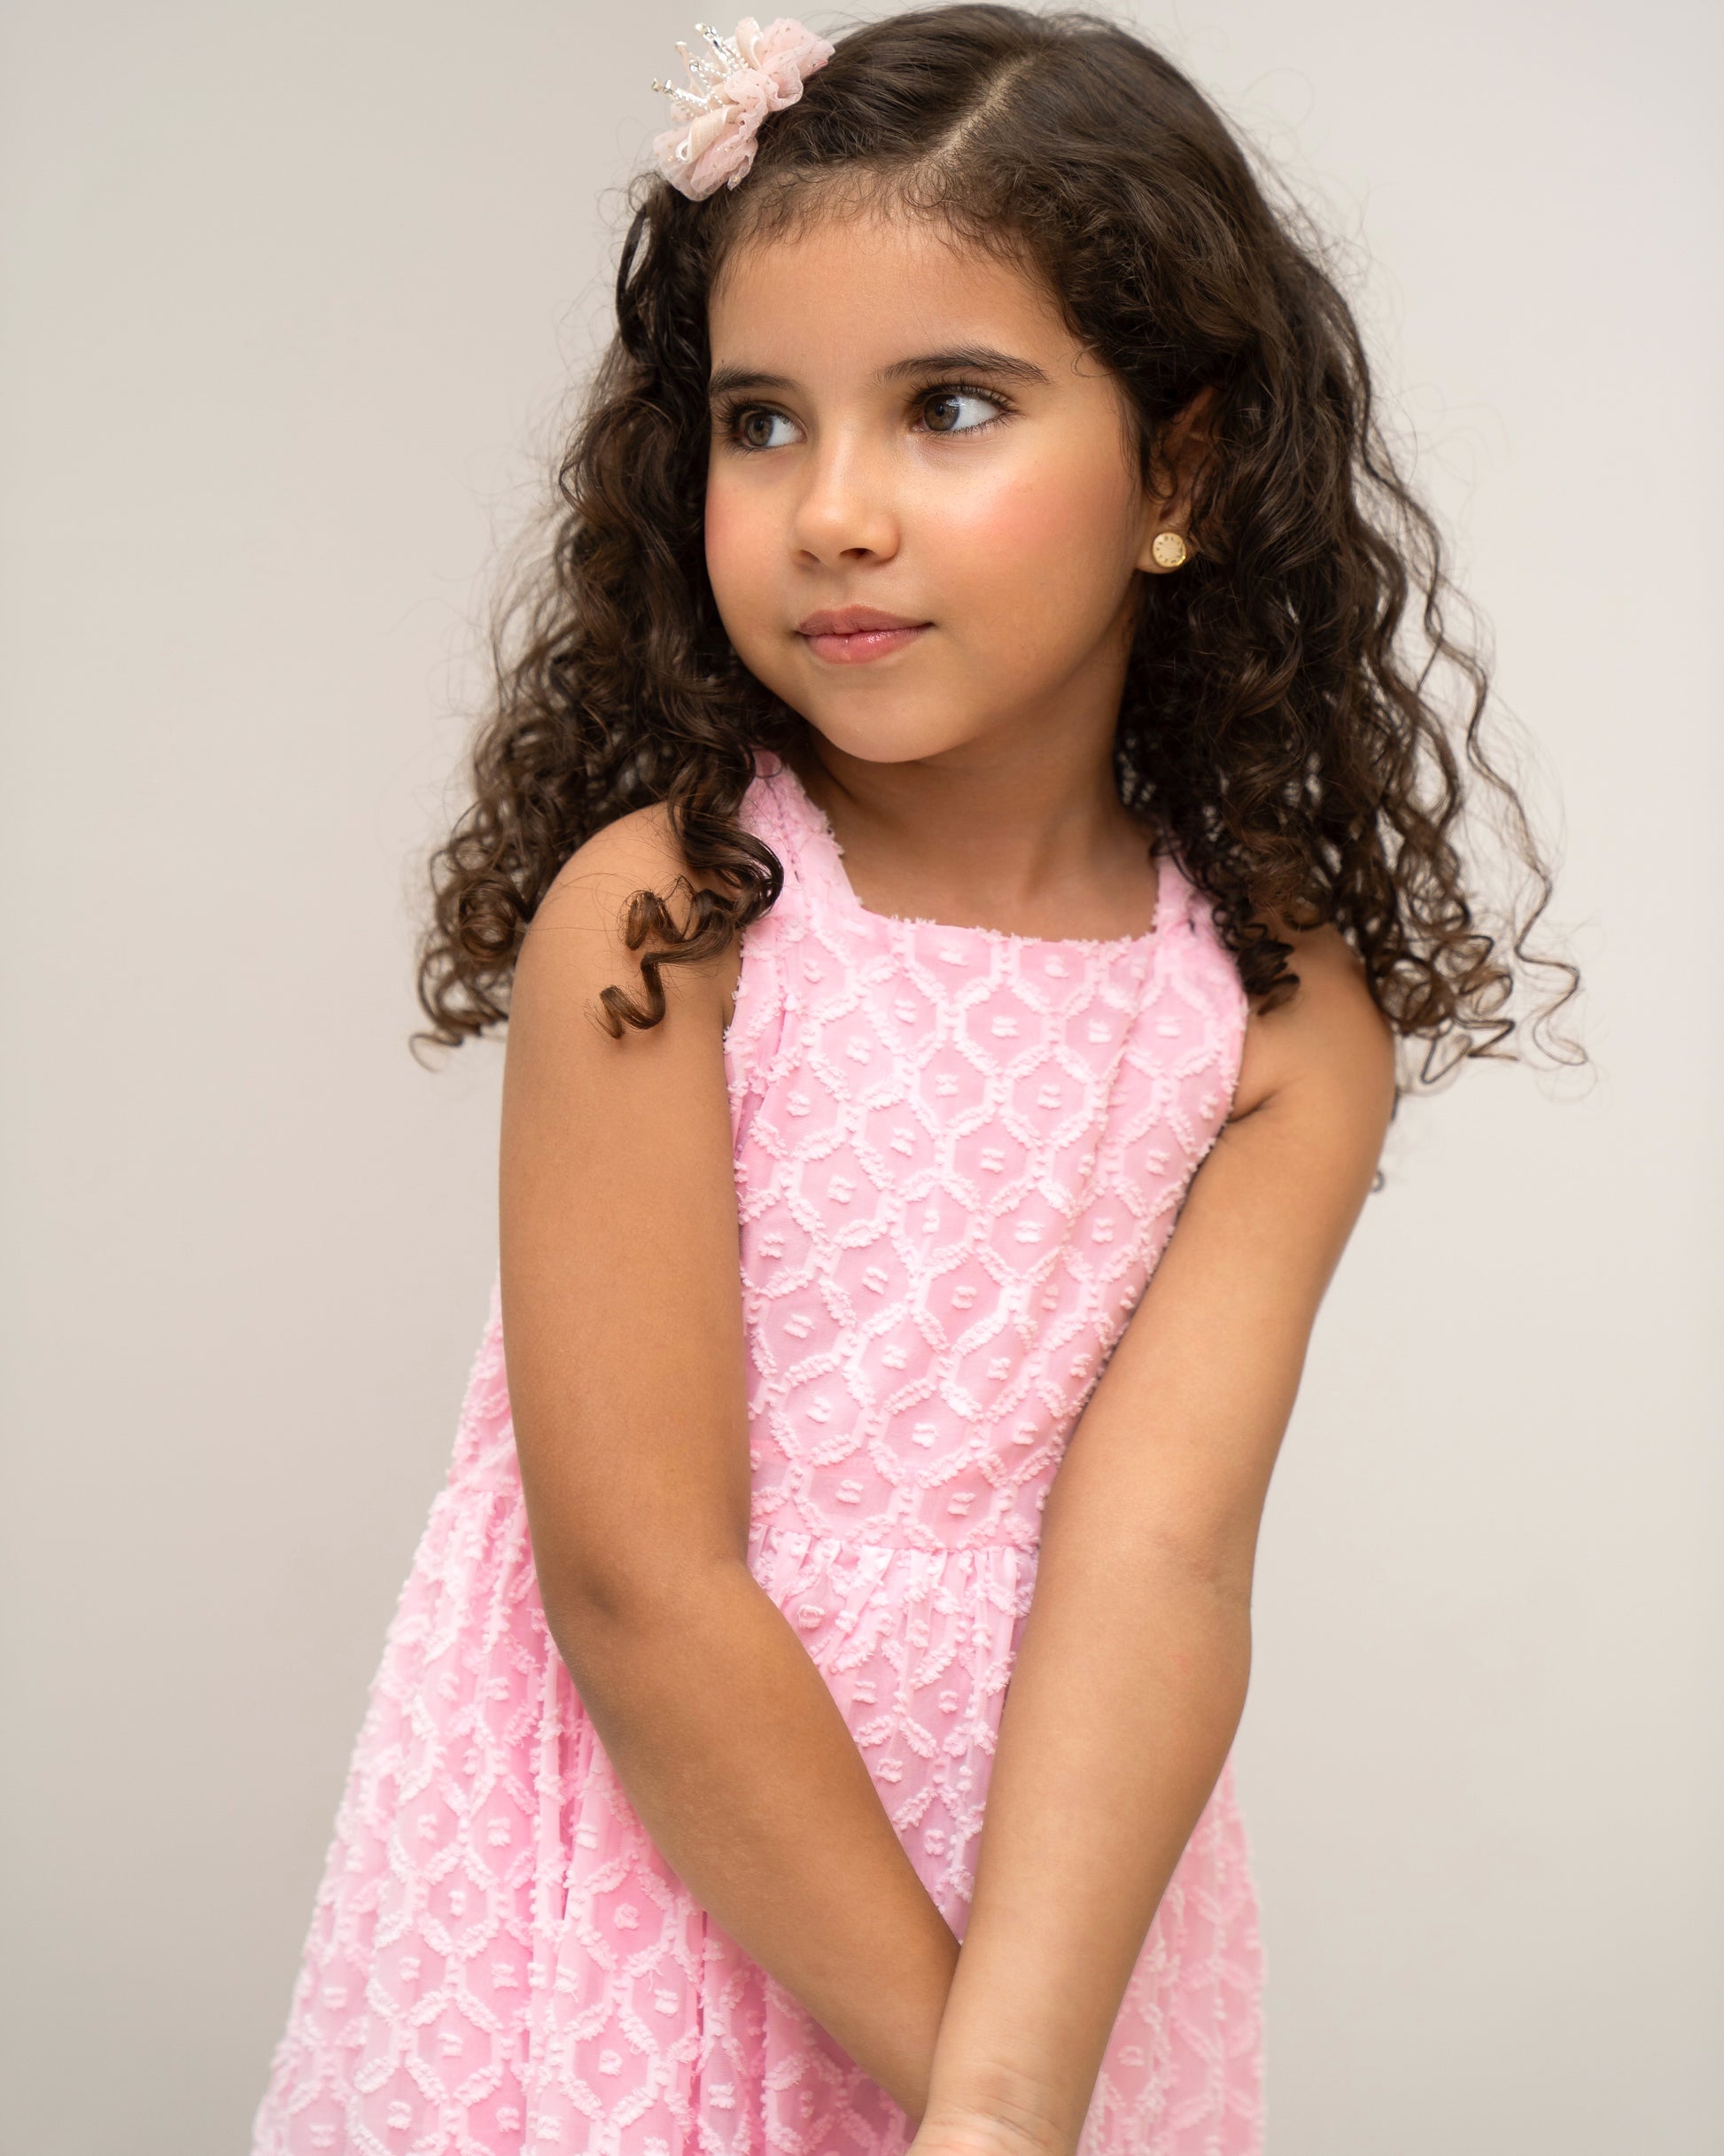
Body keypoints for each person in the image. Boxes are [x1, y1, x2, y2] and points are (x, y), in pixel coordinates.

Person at [251, 9, 1576, 2152]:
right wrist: (980, 2105)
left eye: (948, 407)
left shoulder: (1272, 1011)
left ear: (1178, 471)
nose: (834, 512)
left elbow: (1159, 1563)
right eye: (760, 422)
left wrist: (1012, 2083)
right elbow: (640, 1583)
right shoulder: (666, 919)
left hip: (1039, 1915)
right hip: (643, 1891)